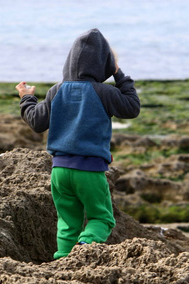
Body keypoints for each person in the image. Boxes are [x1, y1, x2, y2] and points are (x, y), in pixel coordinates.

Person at [15, 28, 140, 259]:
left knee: (67, 221)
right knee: (101, 218)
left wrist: (27, 98)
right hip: (90, 171)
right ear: (104, 65)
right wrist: (119, 74)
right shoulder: (103, 92)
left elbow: (36, 121)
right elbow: (132, 107)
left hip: (59, 171)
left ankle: (63, 258)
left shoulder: (56, 90)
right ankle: (85, 247)